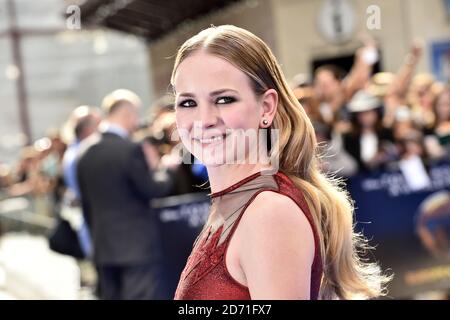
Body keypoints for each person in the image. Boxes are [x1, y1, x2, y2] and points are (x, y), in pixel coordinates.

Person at [171, 25, 390, 300]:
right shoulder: (238, 203)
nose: (204, 120)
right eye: (188, 102)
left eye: (224, 99)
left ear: (266, 107)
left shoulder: (269, 213)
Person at [77, 89, 171, 299]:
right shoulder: (129, 149)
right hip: (136, 248)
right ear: (127, 114)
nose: (136, 121)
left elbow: (86, 205)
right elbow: (151, 190)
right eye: (135, 115)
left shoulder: (83, 152)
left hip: (103, 248)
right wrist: (163, 170)